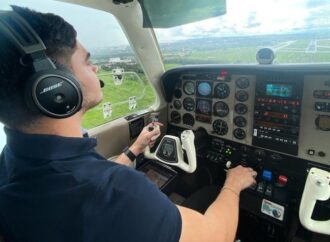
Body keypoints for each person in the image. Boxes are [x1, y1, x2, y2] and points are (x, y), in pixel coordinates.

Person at [0, 6, 257, 242]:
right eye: (87, 62)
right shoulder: (116, 193)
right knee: (213, 192)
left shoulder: (10, 162)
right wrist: (233, 184)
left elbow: (84, 179)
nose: (96, 69)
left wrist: (134, 149)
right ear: (55, 88)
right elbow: (217, 236)